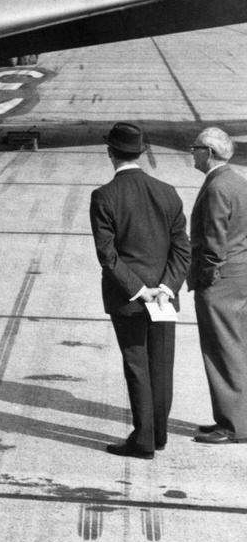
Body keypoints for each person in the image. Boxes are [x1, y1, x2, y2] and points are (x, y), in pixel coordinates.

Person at [89, 122, 190, 458]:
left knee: (137, 366)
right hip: (164, 297)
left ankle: (143, 441)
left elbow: (108, 255)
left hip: (128, 299)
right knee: (161, 366)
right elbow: (182, 249)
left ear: (110, 153)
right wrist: (165, 287)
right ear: (144, 152)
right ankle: (159, 434)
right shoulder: (168, 192)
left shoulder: (104, 196)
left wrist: (138, 290)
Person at [187, 126, 247, 444]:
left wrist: (206, 278)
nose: (191, 153)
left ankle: (233, 426)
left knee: (221, 349)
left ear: (208, 153)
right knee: (236, 347)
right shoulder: (237, 181)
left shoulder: (216, 188)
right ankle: (234, 417)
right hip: (240, 275)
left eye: (194, 148)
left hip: (220, 280)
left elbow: (213, 242)